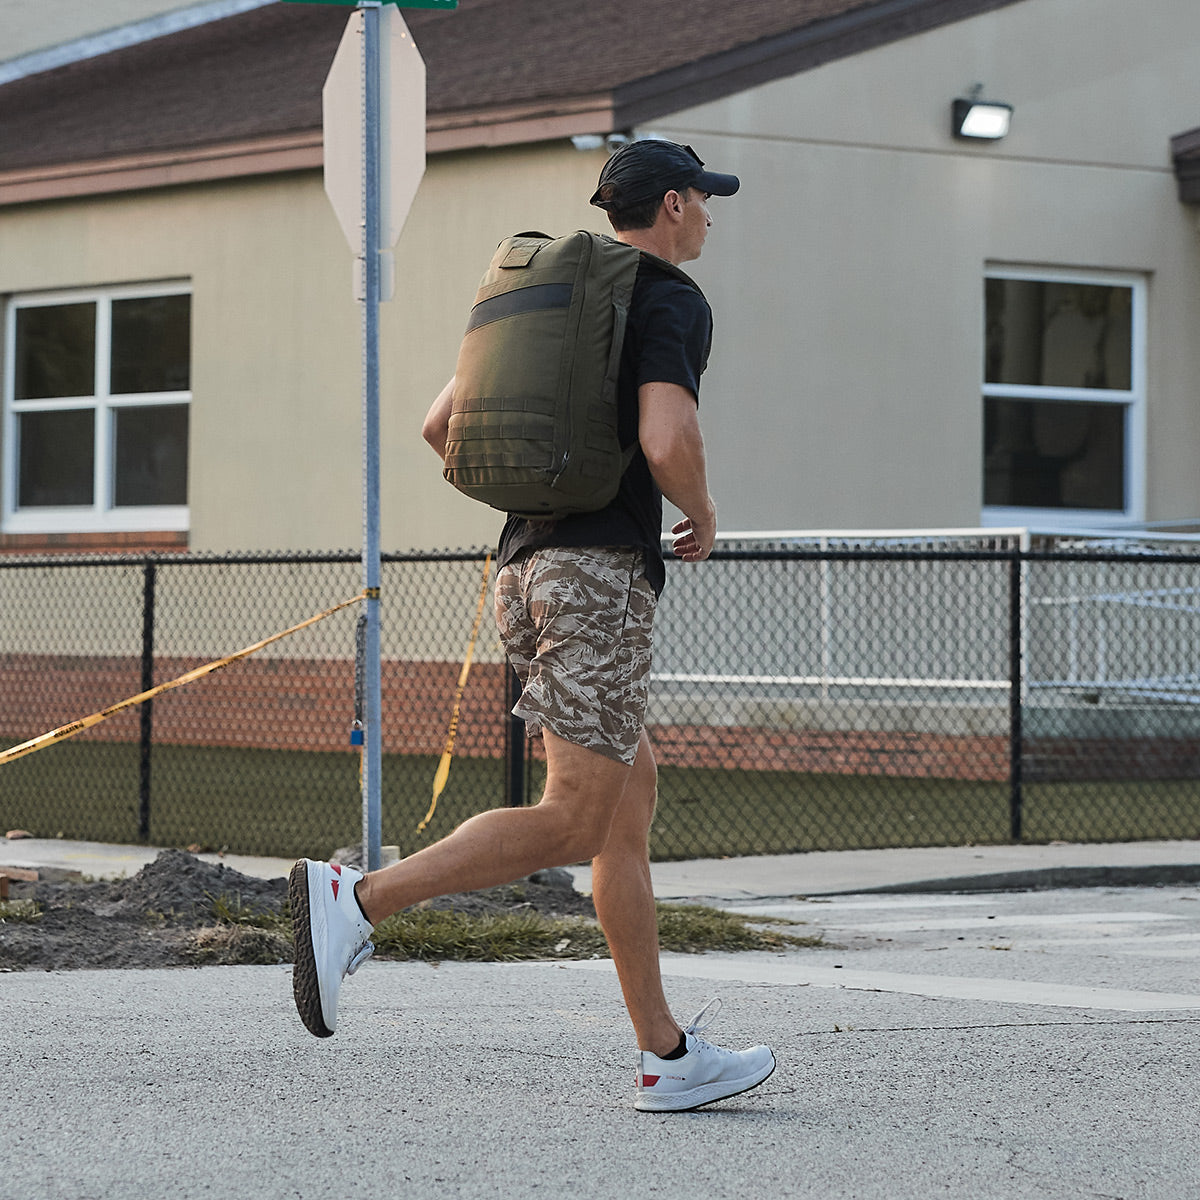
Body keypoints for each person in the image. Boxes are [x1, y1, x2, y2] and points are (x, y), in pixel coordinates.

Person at [289, 139, 775, 1113]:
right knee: (578, 815)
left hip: (524, 566)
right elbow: (666, 437)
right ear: (673, 205)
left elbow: (442, 426)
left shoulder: (555, 297)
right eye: (705, 202)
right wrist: (704, 512)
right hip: (596, 577)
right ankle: (359, 902)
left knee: (622, 807)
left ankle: (667, 1055)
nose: (711, 218)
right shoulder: (669, 298)